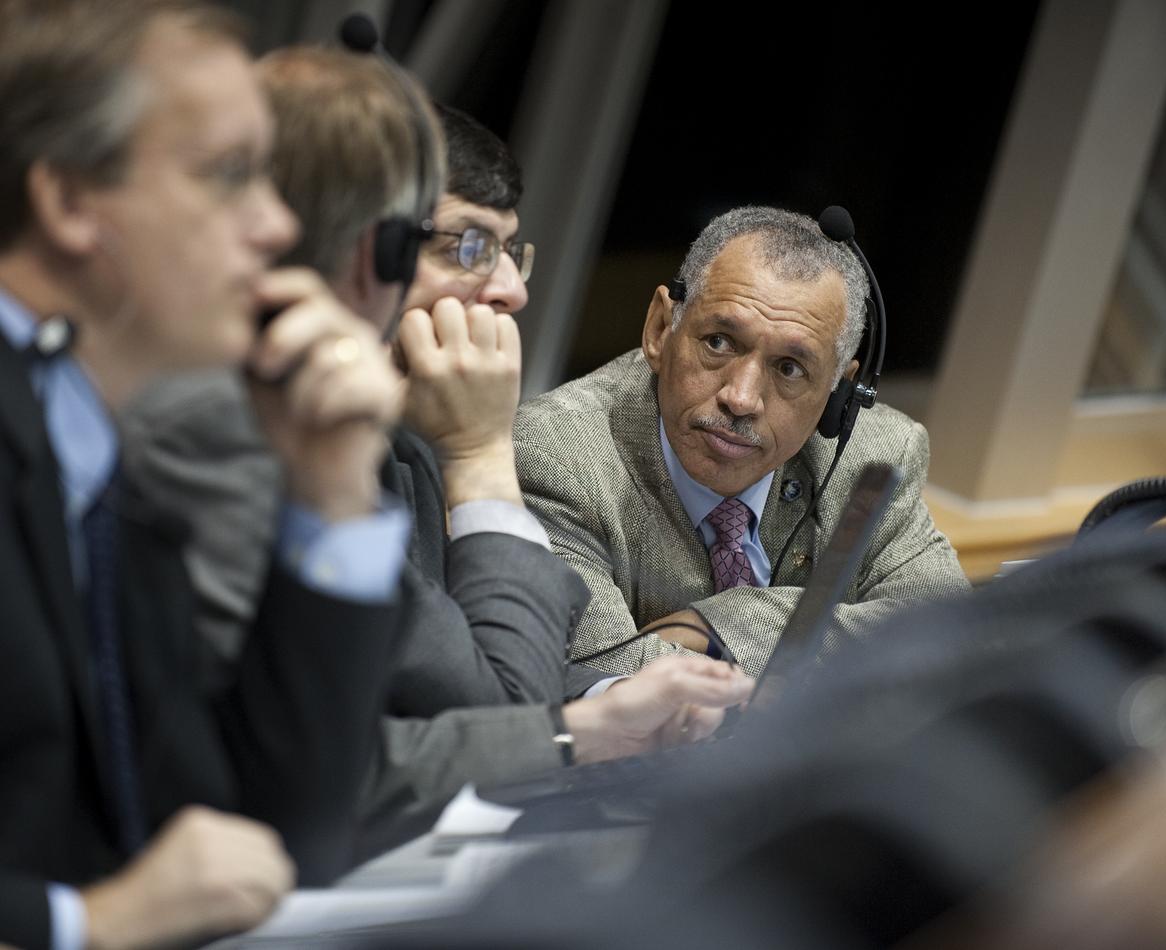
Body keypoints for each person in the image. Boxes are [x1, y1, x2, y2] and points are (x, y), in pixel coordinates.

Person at [118, 46, 753, 861]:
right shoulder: (228, 433)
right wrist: (483, 452)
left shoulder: (395, 434)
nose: (511, 292)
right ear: (358, 249)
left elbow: (467, 683)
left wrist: (614, 702)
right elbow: (493, 707)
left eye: (507, 252)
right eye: (465, 247)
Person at [0, 3, 410, 948]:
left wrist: (329, 492)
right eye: (228, 176)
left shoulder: (98, 473)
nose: (275, 225)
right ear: (69, 202)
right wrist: (85, 924)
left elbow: (266, 850)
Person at [513, 206, 970, 676]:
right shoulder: (554, 456)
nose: (741, 398)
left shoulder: (878, 455)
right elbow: (608, 677)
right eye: (718, 342)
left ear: (838, 394)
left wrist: (729, 628)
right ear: (659, 329)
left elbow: (947, 632)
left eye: (790, 368)